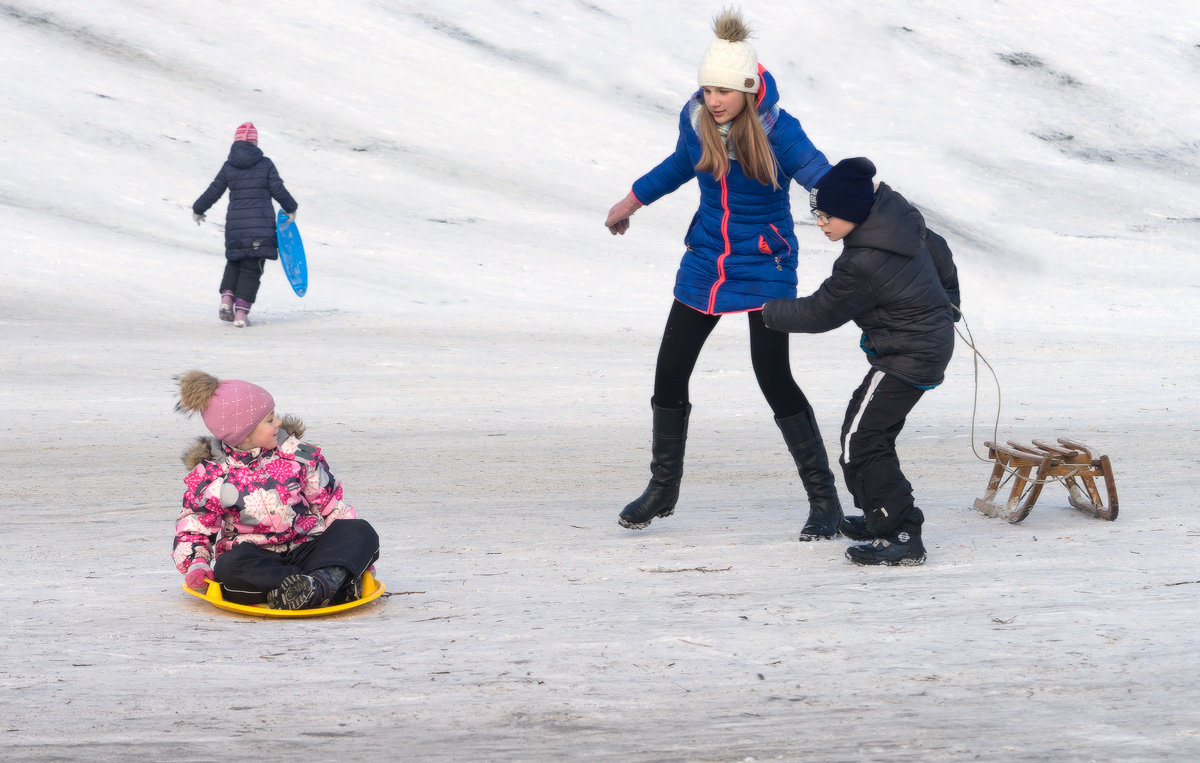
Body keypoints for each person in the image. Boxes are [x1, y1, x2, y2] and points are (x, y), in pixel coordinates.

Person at [604, 9, 842, 539]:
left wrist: (861, 215)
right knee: (670, 370)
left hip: (766, 261)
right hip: (707, 259)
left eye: (725, 91)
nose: (714, 99)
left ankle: (823, 501)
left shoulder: (779, 130)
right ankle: (663, 488)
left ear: (749, 90)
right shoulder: (696, 121)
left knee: (773, 377)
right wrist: (629, 202)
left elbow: (820, 177)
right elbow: (676, 166)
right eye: (708, 87)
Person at [762, 157, 961, 565]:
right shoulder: (901, 225)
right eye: (816, 214)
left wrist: (767, 311)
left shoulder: (863, 262)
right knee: (866, 435)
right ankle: (881, 516)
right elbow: (940, 252)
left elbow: (821, 312)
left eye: (826, 215)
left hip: (909, 356)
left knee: (861, 442)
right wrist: (949, 306)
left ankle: (902, 533)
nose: (820, 223)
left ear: (852, 212)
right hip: (920, 347)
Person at [172, 370, 380, 609]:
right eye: (269, 420)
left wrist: (348, 554)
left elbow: (330, 505)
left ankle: (319, 583)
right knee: (229, 568)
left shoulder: (297, 456)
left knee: (360, 531)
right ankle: (330, 583)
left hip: (308, 547)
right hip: (259, 559)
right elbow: (195, 526)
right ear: (244, 433)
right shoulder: (212, 476)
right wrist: (197, 562)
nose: (278, 423)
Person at [192, 122, 298, 327]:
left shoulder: (229, 166)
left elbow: (214, 190)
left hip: (236, 228)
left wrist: (198, 208)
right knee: (252, 268)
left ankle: (226, 300)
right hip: (261, 228)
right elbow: (278, 189)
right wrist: (291, 207)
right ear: (255, 143)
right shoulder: (265, 164)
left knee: (235, 261)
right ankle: (241, 314)